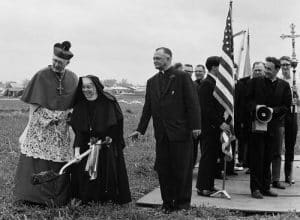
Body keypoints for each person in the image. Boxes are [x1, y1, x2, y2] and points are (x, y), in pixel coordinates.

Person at [129, 47, 201, 212]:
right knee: (164, 170)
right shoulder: (152, 81)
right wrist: (140, 129)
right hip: (162, 135)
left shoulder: (182, 77)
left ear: (168, 58)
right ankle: (167, 203)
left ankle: (182, 205)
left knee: (182, 170)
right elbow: (148, 108)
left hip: (181, 133)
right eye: (154, 58)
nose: (155, 61)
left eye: (158, 58)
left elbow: (193, 103)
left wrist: (196, 126)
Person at [14, 41, 78, 206]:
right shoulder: (41, 75)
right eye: (54, 60)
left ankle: (57, 195)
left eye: (60, 63)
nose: (56, 64)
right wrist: (43, 118)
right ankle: (34, 196)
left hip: (62, 127)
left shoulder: (72, 77)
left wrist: (66, 116)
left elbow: (74, 104)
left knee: (60, 159)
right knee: (38, 159)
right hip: (42, 125)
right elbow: (33, 104)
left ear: (67, 63)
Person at [70, 75, 131, 205]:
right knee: (83, 169)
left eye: (89, 86)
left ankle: (105, 197)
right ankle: (87, 197)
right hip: (86, 145)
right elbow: (79, 132)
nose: (86, 90)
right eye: (83, 87)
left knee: (106, 167)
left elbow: (116, 125)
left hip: (106, 145)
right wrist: (76, 153)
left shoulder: (108, 102)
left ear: (96, 87)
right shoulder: (80, 105)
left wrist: (107, 141)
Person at [246, 57, 291, 199]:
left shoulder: (284, 86)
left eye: (269, 69)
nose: (266, 71)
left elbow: (286, 106)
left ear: (277, 70)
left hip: (273, 126)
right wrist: (256, 108)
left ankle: (266, 187)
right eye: (265, 67)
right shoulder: (254, 83)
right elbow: (246, 101)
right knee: (257, 157)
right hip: (257, 126)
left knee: (268, 157)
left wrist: (273, 111)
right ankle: (255, 189)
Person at [196, 56, 231, 197]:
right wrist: (219, 123)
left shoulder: (214, 83)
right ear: (214, 67)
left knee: (213, 158)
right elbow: (206, 109)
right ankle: (202, 187)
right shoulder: (207, 84)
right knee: (207, 158)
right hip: (209, 127)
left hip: (215, 127)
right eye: (221, 67)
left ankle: (209, 184)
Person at [235, 61, 265, 174]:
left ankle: (255, 166)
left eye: (260, 70)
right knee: (246, 142)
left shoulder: (266, 82)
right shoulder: (242, 82)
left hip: (261, 117)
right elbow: (240, 101)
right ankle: (247, 163)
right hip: (246, 117)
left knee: (259, 143)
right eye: (256, 70)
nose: (258, 72)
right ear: (252, 70)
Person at [279, 56, 298, 184]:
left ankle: (288, 175)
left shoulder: (296, 81)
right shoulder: (278, 80)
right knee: (276, 146)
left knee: (290, 145)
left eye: (287, 65)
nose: (285, 67)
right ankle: (273, 176)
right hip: (280, 115)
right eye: (283, 65)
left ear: (291, 66)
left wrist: (297, 95)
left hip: (292, 114)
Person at [193, 64, 206, 166]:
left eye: (200, 71)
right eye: (196, 71)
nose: (198, 73)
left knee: (205, 149)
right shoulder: (191, 85)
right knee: (192, 148)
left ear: (204, 72)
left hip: (206, 122)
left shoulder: (207, 84)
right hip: (194, 123)